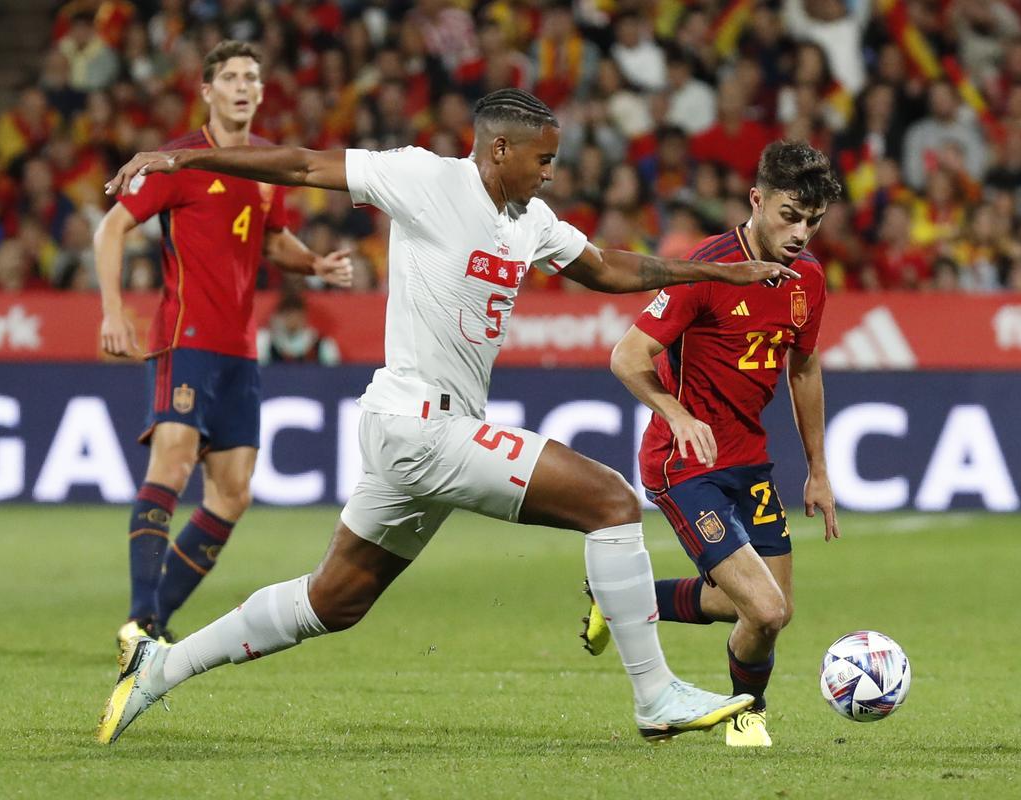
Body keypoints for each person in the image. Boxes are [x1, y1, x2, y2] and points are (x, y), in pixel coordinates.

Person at [96, 88, 801, 746]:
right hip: (419, 424)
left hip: (427, 433)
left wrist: (716, 273)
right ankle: (655, 697)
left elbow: (610, 269)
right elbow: (304, 164)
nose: (552, 173)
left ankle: (159, 668)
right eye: (544, 160)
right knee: (613, 502)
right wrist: (184, 157)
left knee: (333, 601)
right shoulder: (423, 180)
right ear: (501, 151)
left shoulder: (530, 221)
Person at [581, 140, 842, 748]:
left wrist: (819, 470)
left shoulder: (808, 279)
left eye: (813, 220)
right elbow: (626, 356)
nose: (802, 232)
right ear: (757, 199)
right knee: (766, 609)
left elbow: (803, 369)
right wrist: (676, 415)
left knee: (760, 608)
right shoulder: (708, 267)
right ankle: (748, 711)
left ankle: (622, 597)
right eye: (789, 215)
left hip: (748, 457)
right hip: (686, 463)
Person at [94, 40, 353, 648]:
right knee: (174, 462)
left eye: (252, 78)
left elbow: (272, 240)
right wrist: (113, 310)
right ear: (207, 91)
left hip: (241, 351)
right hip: (185, 340)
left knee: (233, 495)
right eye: (230, 77)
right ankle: (140, 621)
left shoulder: (267, 166)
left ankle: (152, 621)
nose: (242, 86)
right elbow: (111, 229)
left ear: (262, 93)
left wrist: (314, 264)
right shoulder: (177, 161)